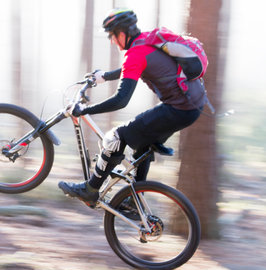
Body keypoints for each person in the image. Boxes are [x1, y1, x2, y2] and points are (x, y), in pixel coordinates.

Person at [58, 9, 209, 208]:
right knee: (142, 143)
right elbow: (132, 68)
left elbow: (121, 100)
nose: (112, 41)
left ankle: (91, 189)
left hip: (178, 109)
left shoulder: (135, 54)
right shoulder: (146, 41)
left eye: (112, 36)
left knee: (115, 138)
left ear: (122, 34)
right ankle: (134, 203)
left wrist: (84, 110)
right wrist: (104, 77)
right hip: (192, 106)